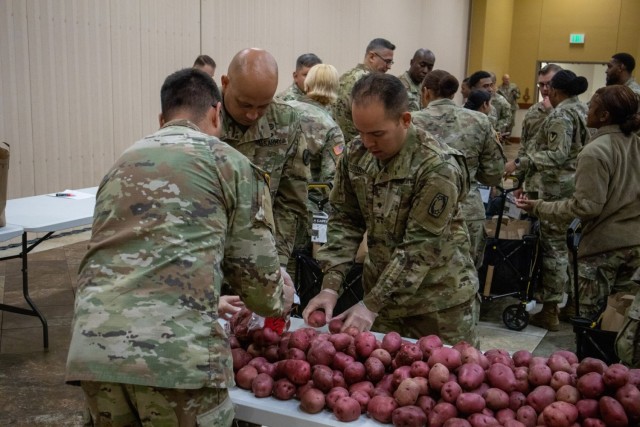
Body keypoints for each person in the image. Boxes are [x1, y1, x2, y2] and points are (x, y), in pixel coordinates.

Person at [65, 68, 294, 426]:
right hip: (177, 360)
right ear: (217, 113)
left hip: (95, 351)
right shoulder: (231, 164)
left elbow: (119, 262)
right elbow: (261, 288)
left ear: (162, 118)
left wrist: (203, 296)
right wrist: (283, 294)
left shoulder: (121, 164)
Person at [302, 73, 479, 346]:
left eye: (377, 134)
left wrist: (371, 304)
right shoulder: (356, 155)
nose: (367, 142)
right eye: (360, 131)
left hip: (438, 305)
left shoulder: (437, 167)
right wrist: (330, 286)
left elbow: (419, 247)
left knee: (447, 379)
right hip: (381, 302)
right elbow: (345, 220)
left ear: (404, 120)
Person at [516, 85, 640, 325]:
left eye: (591, 107)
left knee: (591, 325)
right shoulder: (635, 144)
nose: (585, 111)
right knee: (622, 326)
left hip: (603, 251)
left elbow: (586, 207)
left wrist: (540, 206)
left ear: (604, 116)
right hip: (635, 245)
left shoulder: (595, 152)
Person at [220, 48, 309, 270]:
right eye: (245, 104)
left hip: (263, 256)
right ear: (225, 83)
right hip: (209, 258)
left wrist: (276, 264)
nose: (253, 115)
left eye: (263, 106)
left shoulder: (285, 121)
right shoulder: (202, 118)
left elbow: (291, 201)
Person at [514, 70, 589, 331]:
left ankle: (550, 310)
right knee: (569, 248)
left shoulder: (560, 114)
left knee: (554, 249)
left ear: (556, 91)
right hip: (574, 184)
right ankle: (571, 304)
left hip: (555, 188)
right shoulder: (583, 110)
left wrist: (519, 164)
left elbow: (556, 155)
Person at [413, 70, 505, 267]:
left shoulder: (410, 122)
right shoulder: (480, 121)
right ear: (453, 94)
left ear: (426, 92)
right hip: (466, 211)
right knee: (465, 278)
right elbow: (493, 174)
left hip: (419, 213)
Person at [286, 64, 345, 259]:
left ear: (308, 84)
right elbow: (332, 182)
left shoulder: (284, 111)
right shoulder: (331, 128)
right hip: (307, 212)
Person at [504, 64, 562, 198]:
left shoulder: (570, 112)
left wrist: (551, 111)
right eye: (541, 85)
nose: (545, 89)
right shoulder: (533, 111)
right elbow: (524, 147)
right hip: (533, 184)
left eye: (549, 84)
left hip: (558, 187)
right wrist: (518, 183)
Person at [334, 38, 396, 143]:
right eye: (387, 61)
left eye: (391, 62)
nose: (389, 67)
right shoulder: (371, 83)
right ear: (372, 57)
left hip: (337, 143)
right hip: (357, 147)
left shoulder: (345, 76)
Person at [468, 71, 512, 138]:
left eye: (491, 85)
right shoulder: (464, 109)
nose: (490, 89)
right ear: (473, 88)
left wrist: (496, 131)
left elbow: (507, 117)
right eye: (485, 86)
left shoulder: (493, 107)